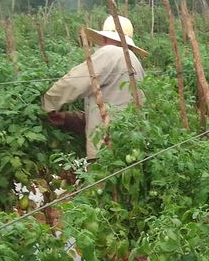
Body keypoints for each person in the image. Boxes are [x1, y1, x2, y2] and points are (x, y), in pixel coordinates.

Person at [42, 15, 146, 160]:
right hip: (130, 144)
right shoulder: (134, 60)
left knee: (101, 181)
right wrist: (69, 119)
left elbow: (75, 82)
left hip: (107, 148)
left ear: (104, 38)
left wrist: (47, 104)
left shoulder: (111, 52)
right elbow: (113, 106)